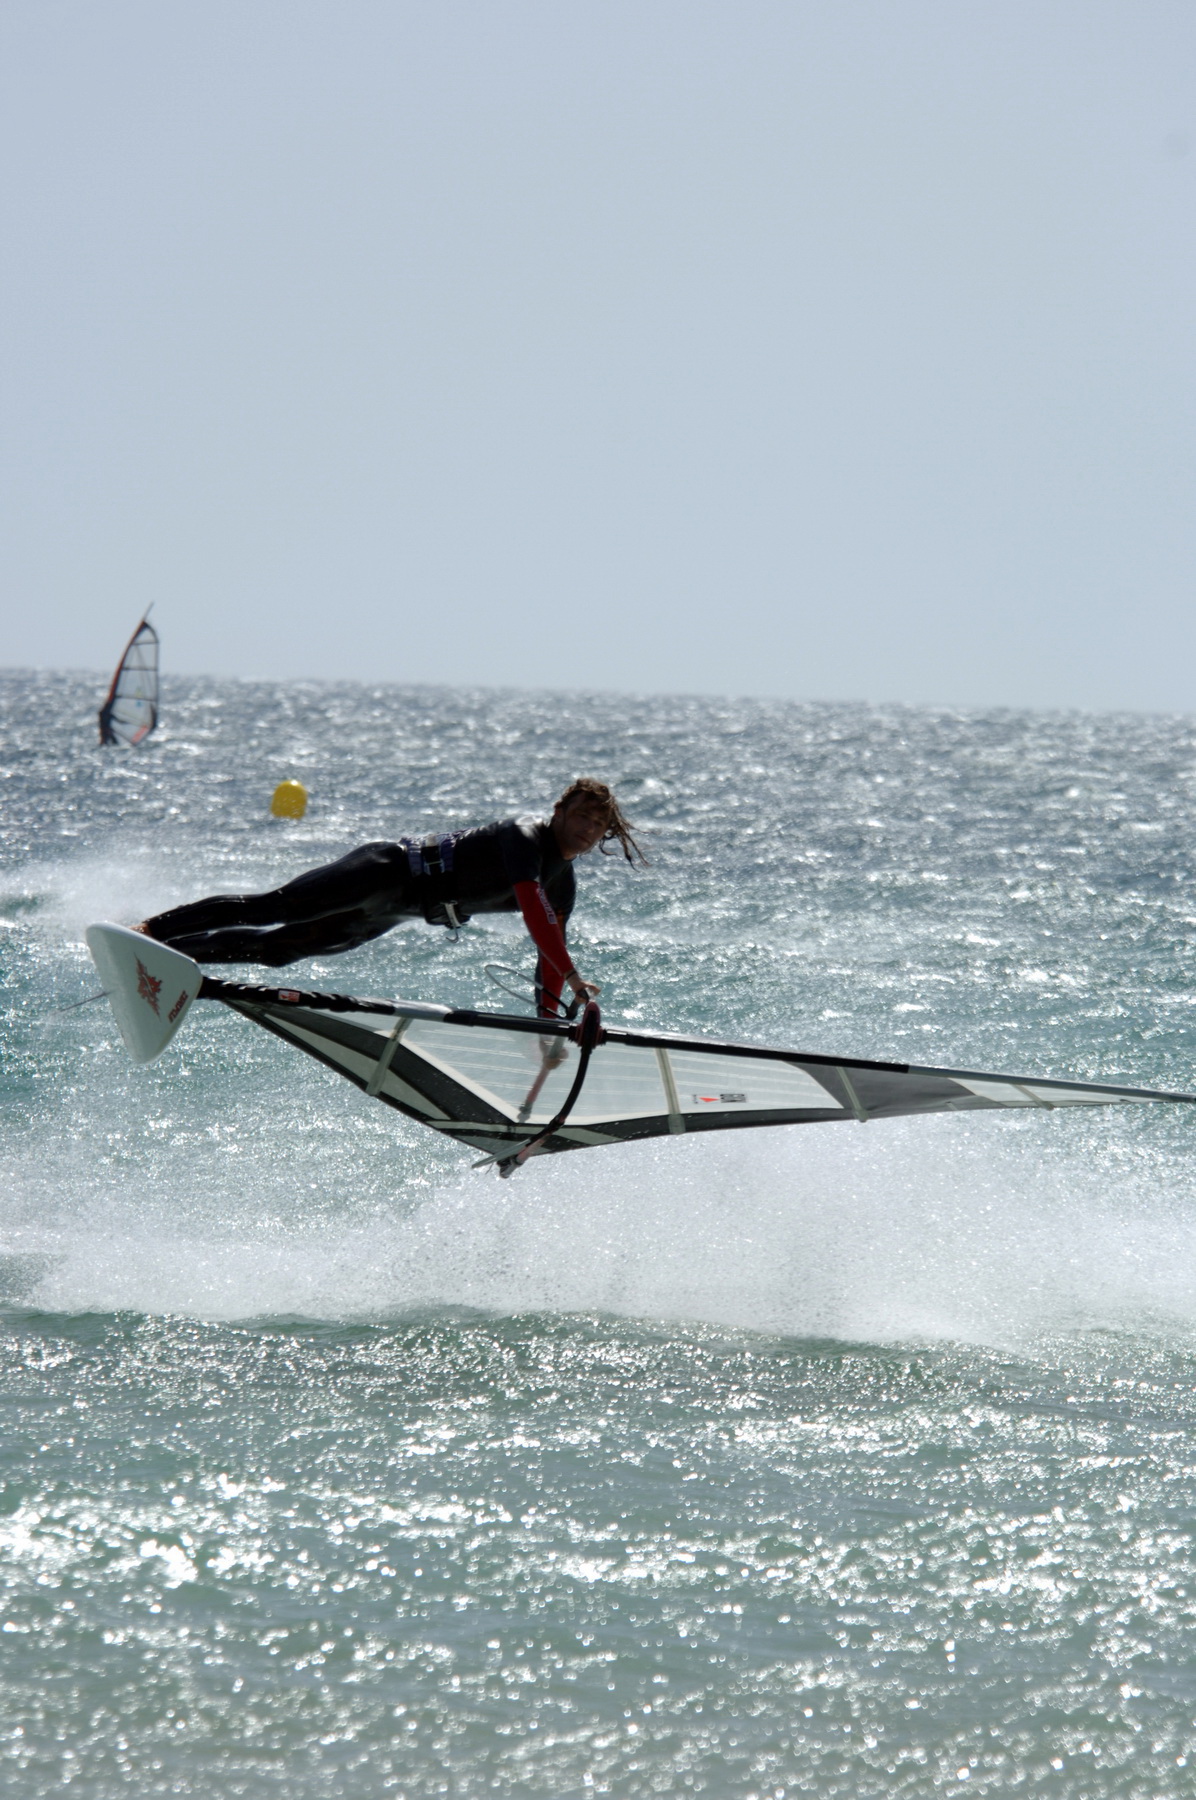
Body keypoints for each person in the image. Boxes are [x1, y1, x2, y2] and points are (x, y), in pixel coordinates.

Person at [138, 778, 645, 1017]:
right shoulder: (524, 836)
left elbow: (546, 959)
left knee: (279, 950)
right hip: (387, 870)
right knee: (278, 907)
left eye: (598, 824)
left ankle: (177, 961)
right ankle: (152, 932)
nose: (587, 828)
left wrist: (549, 1023)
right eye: (582, 815)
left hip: (398, 911)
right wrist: (576, 976)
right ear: (559, 810)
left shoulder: (564, 884)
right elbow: (534, 914)